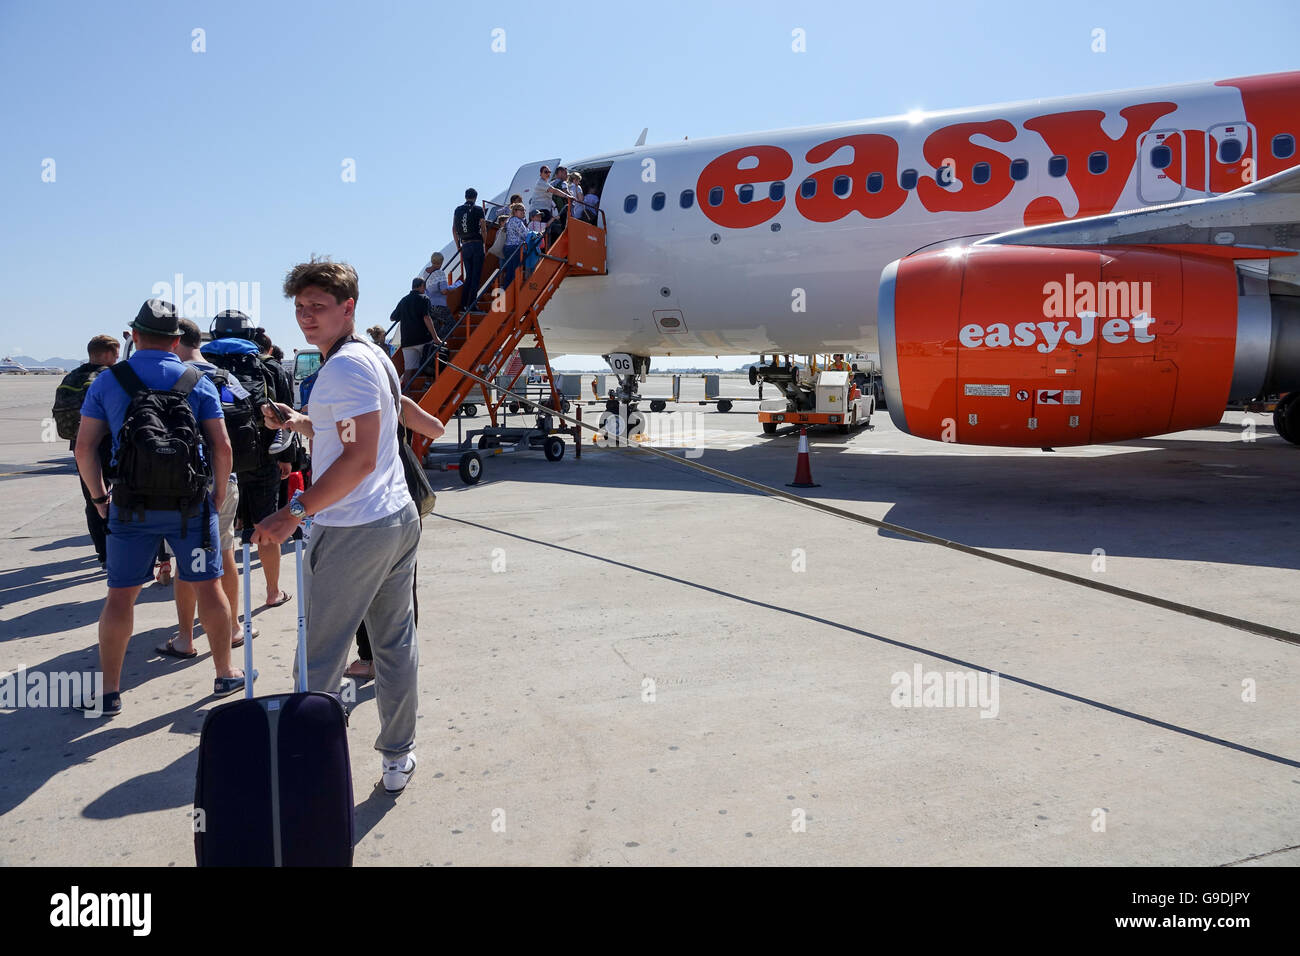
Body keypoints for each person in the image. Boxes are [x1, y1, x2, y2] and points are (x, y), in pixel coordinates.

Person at [254, 257, 422, 794]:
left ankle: (307, 767)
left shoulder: (344, 368)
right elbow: (350, 435)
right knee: (394, 644)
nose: (306, 317)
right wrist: (300, 421)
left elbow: (357, 459)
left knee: (320, 657)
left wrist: (292, 512)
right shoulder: (370, 356)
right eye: (300, 308)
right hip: (395, 517)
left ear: (348, 307)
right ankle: (397, 757)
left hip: (355, 528)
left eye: (318, 307)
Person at [74, 300, 248, 715]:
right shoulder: (197, 379)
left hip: (131, 507)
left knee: (120, 598)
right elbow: (222, 447)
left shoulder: (108, 381)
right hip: (190, 505)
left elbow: (84, 449)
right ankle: (225, 673)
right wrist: (218, 494)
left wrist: (100, 499)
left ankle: (111, 692)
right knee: (210, 586)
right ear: (176, 340)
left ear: (135, 335)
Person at [159, 319, 254, 658]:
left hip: (185, 480)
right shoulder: (225, 375)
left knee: (187, 560)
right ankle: (233, 627)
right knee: (226, 551)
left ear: (175, 342)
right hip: (226, 475)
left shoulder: (170, 376)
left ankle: (186, 637)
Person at [344, 393, 445, 682]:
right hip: (403, 499)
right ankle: (401, 655)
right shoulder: (396, 401)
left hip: (364, 502)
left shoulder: (345, 398)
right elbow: (436, 429)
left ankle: (370, 658)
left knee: (362, 584)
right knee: (402, 582)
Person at [202, 310, 295, 609]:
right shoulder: (269, 367)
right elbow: (287, 417)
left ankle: (222, 602)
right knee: (266, 526)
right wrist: (287, 459)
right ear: (251, 335)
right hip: (262, 458)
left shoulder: (202, 365)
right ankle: (272, 592)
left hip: (216, 464)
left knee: (219, 533)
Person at [53, 334, 120, 568]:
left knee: (94, 497)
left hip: (79, 445)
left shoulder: (72, 376)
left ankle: (103, 554)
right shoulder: (110, 377)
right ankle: (118, 549)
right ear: (110, 353)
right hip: (109, 442)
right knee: (121, 495)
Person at [392, 278, 444, 387]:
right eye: (424, 287)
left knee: (408, 369)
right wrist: (435, 337)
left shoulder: (404, 300)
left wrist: (405, 314)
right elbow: (426, 318)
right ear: (421, 286)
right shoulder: (424, 298)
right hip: (423, 338)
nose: (425, 289)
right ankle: (429, 385)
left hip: (407, 341)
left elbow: (392, 318)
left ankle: (407, 393)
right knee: (430, 363)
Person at [453, 188, 487, 316]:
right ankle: (472, 305)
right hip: (476, 244)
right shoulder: (478, 210)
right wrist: (484, 243)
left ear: (465, 196)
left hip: (465, 245)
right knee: (476, 276)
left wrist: (458, 246)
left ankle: (463, 304)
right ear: (475, 197)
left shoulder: (458, 209)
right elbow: (483, 228)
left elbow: (454, 229)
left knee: (469, 276)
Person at [418, 253, 453, 340]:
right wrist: (452, 288)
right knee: (451, 323)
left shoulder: (425, 272)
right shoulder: (440, 273)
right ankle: (438, 341)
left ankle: (435, 345)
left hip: (429, 305)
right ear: (441, 262)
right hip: (439, 305)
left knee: (435, 327)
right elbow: (443, 291)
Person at [498, 203, 530, 290]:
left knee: (510, 271)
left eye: (524, 210)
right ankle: (511, 290)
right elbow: (525, 234)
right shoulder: (517, 221)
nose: (524, 212)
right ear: (515, 211)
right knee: (515, 271)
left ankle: (507, 289)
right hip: (515, 248)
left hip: (508, 248)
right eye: (521, 210)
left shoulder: (510, 220)